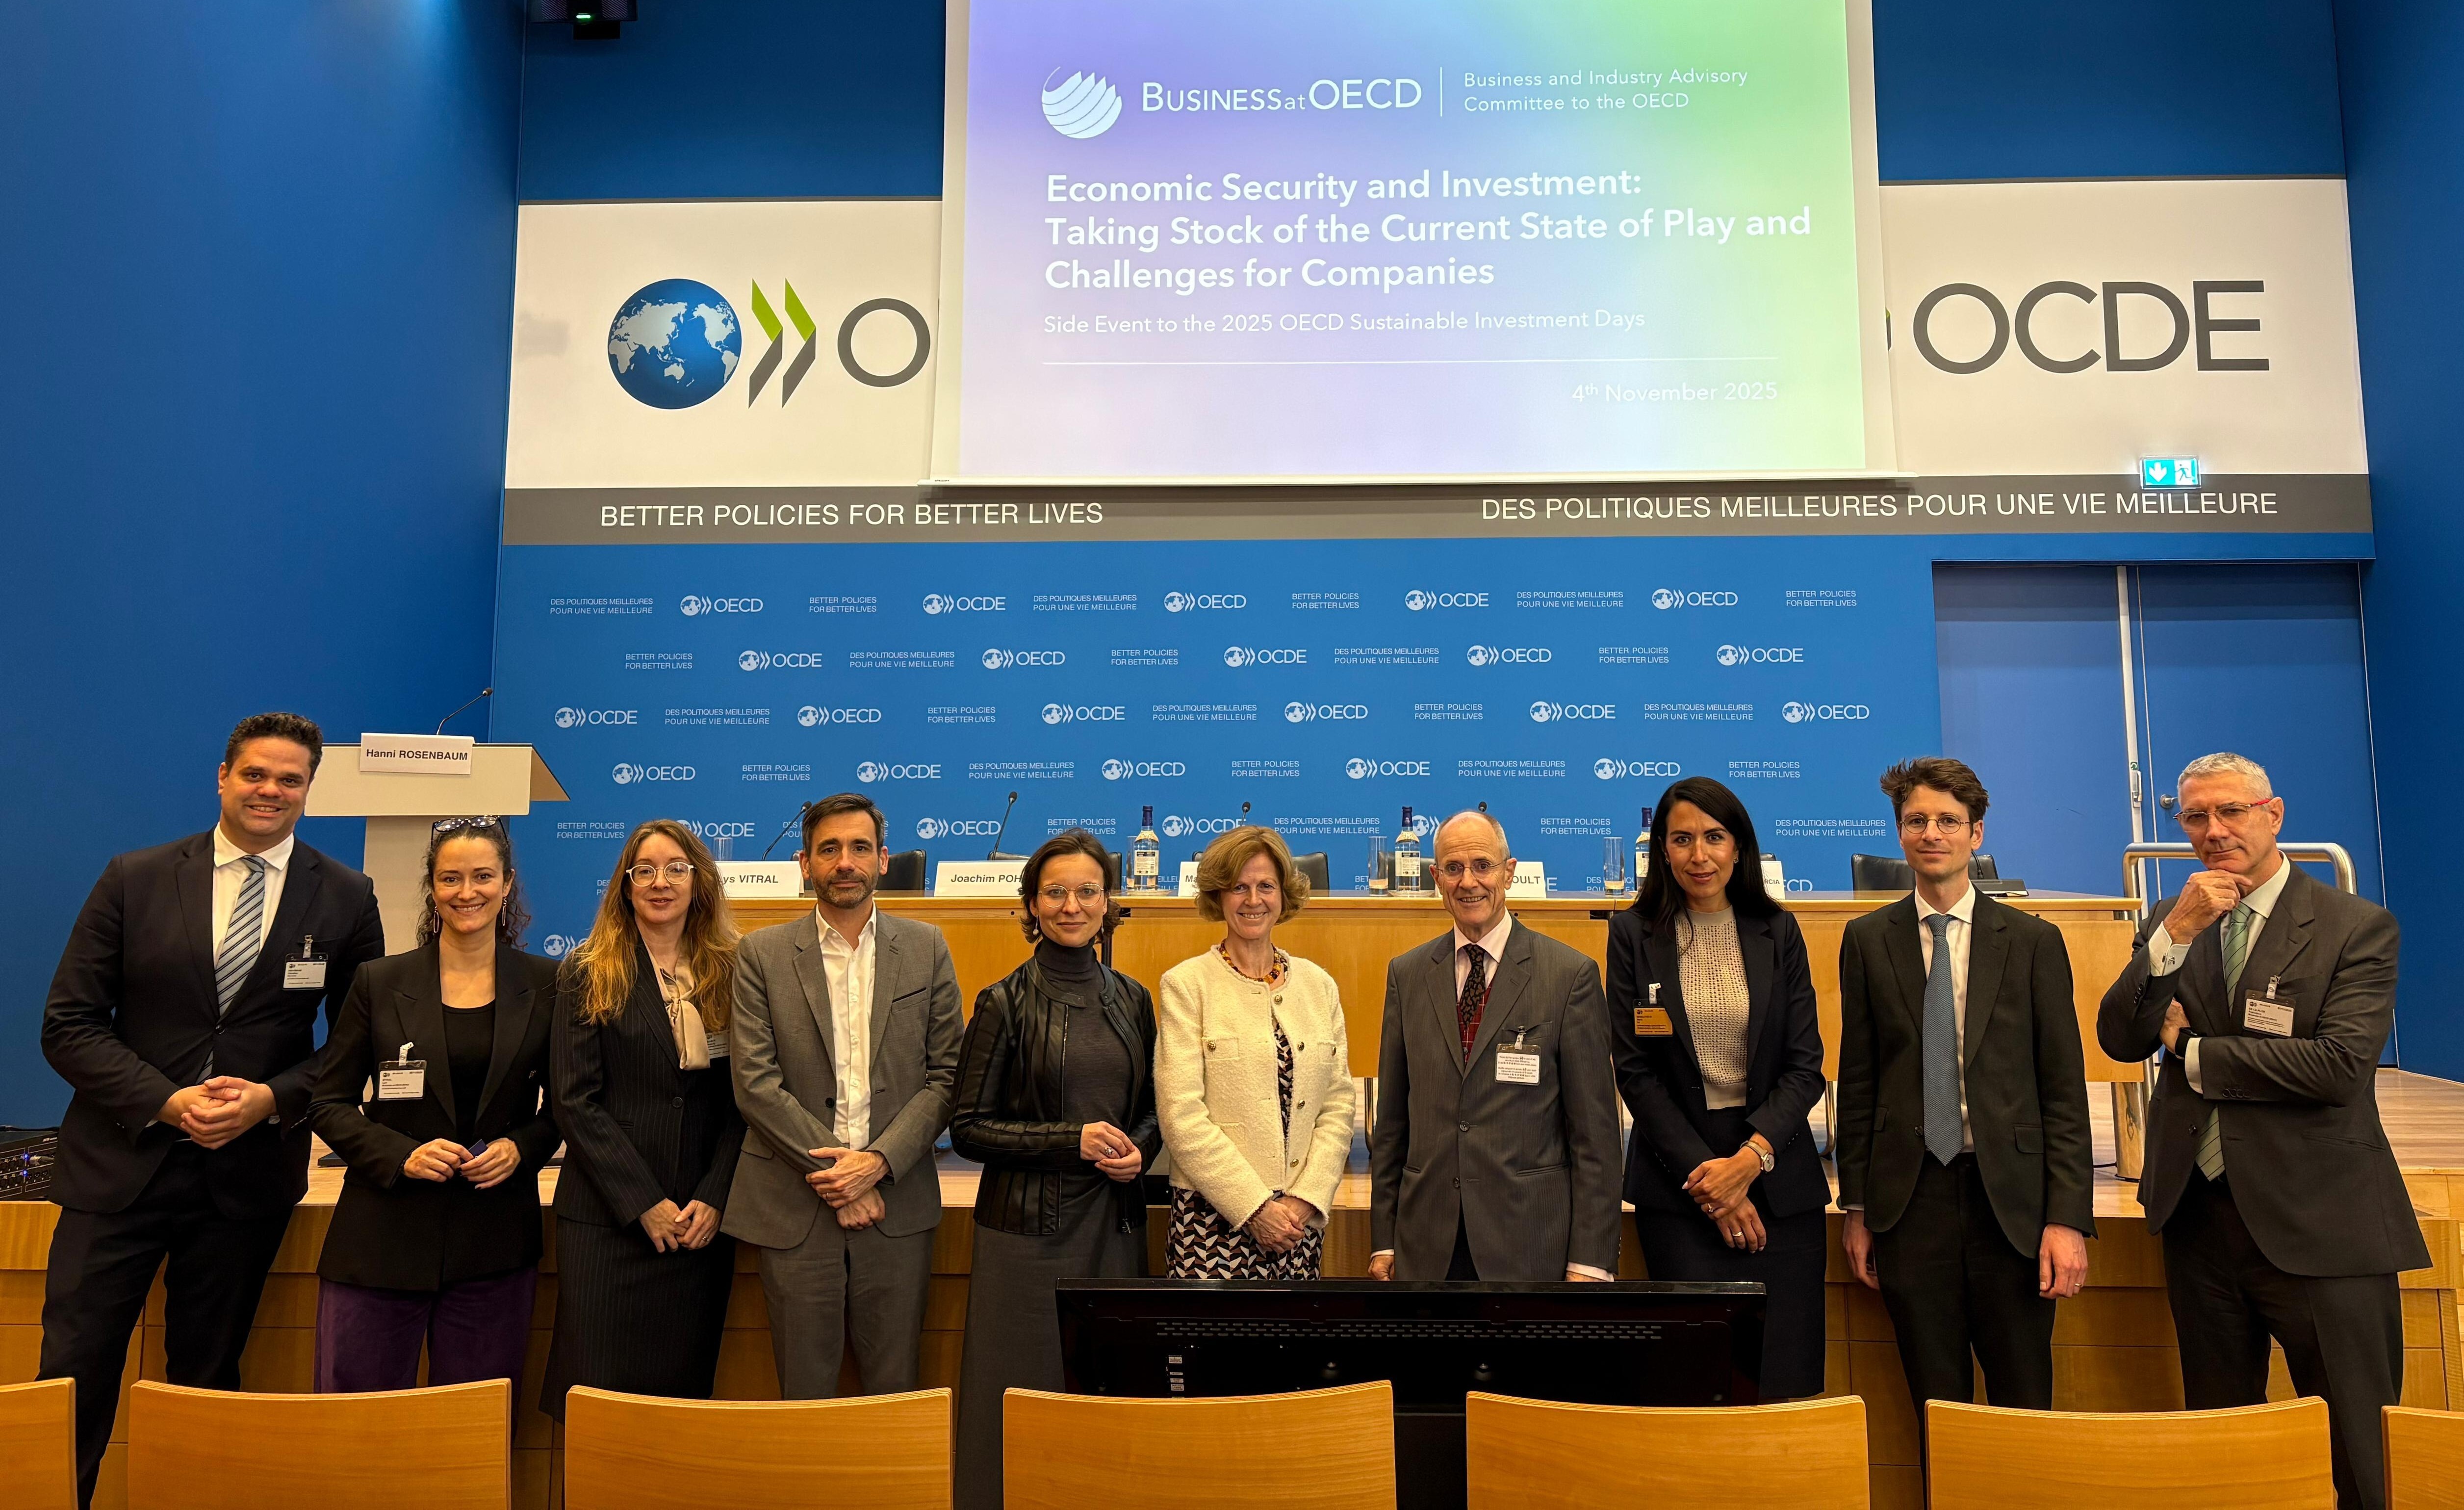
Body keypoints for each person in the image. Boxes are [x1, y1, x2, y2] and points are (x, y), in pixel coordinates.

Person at [39, 712, 385, 1505]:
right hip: (117, 1168)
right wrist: (163, 1100)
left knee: (206, 1380)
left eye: (290, 779)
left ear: (309, 789)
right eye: (255, 773)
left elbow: (359, 1042)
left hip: (243, 1179)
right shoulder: (134, 877)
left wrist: (272, 1098)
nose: (271, 790)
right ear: (223, 777)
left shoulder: (345, 895)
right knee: (71, 1375)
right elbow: (69, 1023)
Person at [2098, 752, 2423, 1510]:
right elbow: (2120, 1036)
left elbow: (2337, 1067)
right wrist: (2175, 932)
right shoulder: (2174, 916)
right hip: (2199, 1219)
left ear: (2273, 814)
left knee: (2361, 1451)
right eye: (2196, 816)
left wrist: (2192, 1051)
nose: (2213, 831)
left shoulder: (2355, 926)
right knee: (2225, 1448)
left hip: (2322, 1222)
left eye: (2231, 811)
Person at [1837, 757, 2094, 1439]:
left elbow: (2063, 1089)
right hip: (1909, 1201)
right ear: (1899, 833)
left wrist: (2067, 1218)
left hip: (2011, 1205)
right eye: (1916, 820)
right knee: (1935, 1408)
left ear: (1976, 833)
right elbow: (1858, 1082)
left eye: (1948, 821)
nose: (1931, 834)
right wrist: (1857, 1207)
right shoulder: (1867, 940)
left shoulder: (2034, 942)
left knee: (2023, 1407)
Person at [307, 818, 560, 1393]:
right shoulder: (377, 982)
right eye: (451, 878)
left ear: (507, 883)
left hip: (493, 1243)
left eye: (483, 877)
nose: (467, 892)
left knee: (474, 1428)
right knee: (358, 1424)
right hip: (381, 1239)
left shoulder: (549, 985)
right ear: (432, 886)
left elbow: (566, 1105)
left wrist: (520, 1148)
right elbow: (328, 1103)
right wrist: (402, 1155)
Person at [725, 793, 963, 1398]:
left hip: (896, 1206)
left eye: (860, 848)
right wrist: (841, 1178)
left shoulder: (927, 947)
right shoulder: (761, 954)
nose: (845, 862)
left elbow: (947, 1076)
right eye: (828, 849)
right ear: (805, 864)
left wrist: (876, 1165)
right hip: (795, 1207)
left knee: (897, 1393)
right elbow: (755, 1083)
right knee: (804, 1395)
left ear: (883, 860)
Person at [950, 830, 1158, 1510]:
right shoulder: (1002, 1002)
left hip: (1114, 1228)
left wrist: (1140, 1149)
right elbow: (968, 1127)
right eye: (1056, 892)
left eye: (1087, 891)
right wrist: (1074, 1140)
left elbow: (1154, 1108)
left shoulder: (1132, 998)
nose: (1073, 906)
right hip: (1025, 1238)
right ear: (1032, 906)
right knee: (1015, 1399)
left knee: (1106, 1399)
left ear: (1108, 903)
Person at [1607, 779, 1828, 1397]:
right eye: (1681, 839)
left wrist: (1748, 1162)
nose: (1698, 855)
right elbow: (1635, 1072)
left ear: (1739, 847)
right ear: (1661, 849)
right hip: (1681, 1184)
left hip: (1777, 1180)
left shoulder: (1777, 930)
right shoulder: (1632, 934)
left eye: (1714, 837)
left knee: (1785, 1384)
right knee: (1694, 1387)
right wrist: (1714, 1186)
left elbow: (1805, 1066)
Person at [538, 820, 746, 1419]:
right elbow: (573, 1100)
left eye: (676, 869)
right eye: (645, 871)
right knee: (598, 1401)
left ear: (699, 881)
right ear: (625, 886)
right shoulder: (587, 970)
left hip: (699, 1225)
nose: (661, 883)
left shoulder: (733, 971)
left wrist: (715, 1197)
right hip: (609, 1221)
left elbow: (745, 1102)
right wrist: (643, 1203)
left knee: (680, 1404)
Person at [1368, 810, 1619, 1282]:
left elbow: (1596, 1137)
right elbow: (1393, 1124)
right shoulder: (1407, 975)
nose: (1469, 882)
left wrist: (1590, 1260)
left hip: (1530, 1246)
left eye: (1482, 865)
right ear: (1435, 878)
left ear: (1509, 872)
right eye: (1454, 868)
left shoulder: (1569, 977)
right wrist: (1384, 1238)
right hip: (1427, 1248)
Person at [1155, 825, 1355, 1279]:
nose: (1253, 900)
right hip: (1211, 1224)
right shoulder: (1186, 986)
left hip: (1298, 1225)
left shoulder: (1319, 986)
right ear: (1218, 896)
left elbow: (1339, 1104)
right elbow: (1181, 1115)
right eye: (1238, 887)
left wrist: (1305, 1200)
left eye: (1266, 886)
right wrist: (1254, 1208)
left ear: (1284, 894)